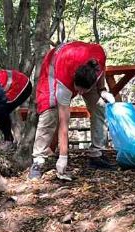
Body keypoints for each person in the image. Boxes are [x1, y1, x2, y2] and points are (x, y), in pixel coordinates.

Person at [29, 41, 117, 181]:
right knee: (50, 111)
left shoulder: (98, 56)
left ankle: (97, 154)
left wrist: (102, 89)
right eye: (78, 89)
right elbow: (64, 122)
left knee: (99, 106)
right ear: (74, 81)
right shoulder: (65, 77)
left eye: (83, 91)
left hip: (83, 69)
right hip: (53, 69)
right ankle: (38, 161)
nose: (80, 93)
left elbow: (102, 70)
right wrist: (63, 157)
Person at [0, 69, 33, 151]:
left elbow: (2, 100)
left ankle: (8, 141)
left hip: (22, 84)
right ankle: (10, 139)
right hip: (12, 88)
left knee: (0, 112)